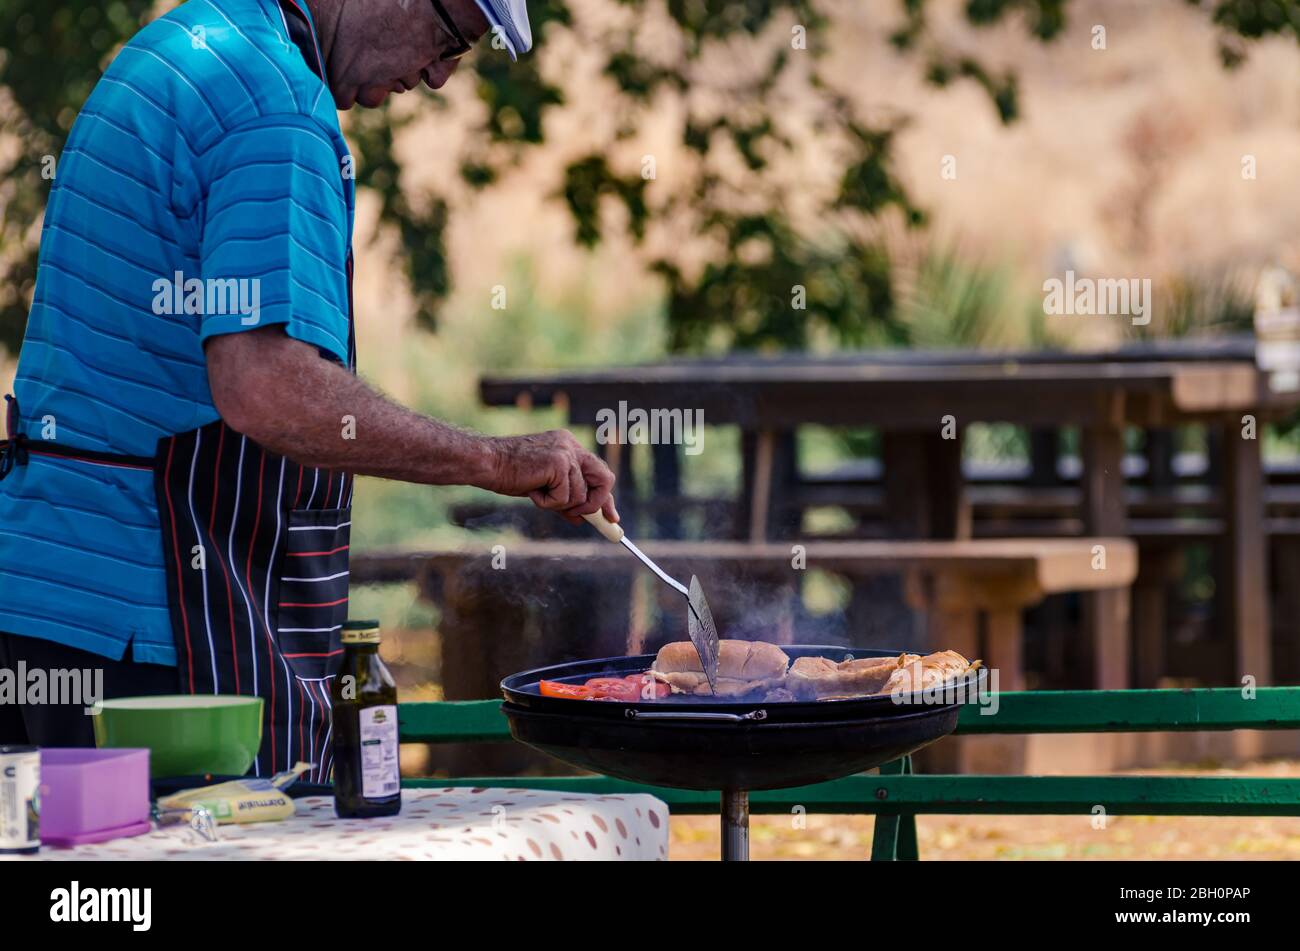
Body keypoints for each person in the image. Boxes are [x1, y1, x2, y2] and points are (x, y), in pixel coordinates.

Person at [0, 0, 616, 780]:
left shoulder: (180, 44)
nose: (437, 75)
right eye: (451, 37)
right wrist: (494, 461)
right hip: (159, 632)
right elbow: (263, 387)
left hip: (42, 602)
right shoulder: (277, 109)